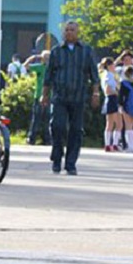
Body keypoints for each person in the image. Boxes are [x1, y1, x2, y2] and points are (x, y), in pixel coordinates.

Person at [41, 21, 100, 175]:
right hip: (60, 96)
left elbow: (94, 74)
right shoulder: (56, 51)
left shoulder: (86, 51)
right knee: (57, 127)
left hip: (78, 97)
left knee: (76, 131)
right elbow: (48, 75)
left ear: (77, 32)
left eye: (72, 30)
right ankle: (56, 159)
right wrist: (45, 95)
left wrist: (95, 93)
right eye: (66, 30)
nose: (69, 32)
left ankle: (71, 163)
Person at [23, 51, 51, 145]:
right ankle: (37, 139)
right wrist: (34, 57)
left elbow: (26, 65)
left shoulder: (49, 68)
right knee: (41, 119)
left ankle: (40, 139)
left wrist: (34, 57)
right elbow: (25, 66)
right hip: (42, 96)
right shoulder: (41, 67)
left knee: (42, 119)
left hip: (45, 96)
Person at [97, 57, 121, 152]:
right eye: (112, 65)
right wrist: (116, 92)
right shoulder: (109, 75)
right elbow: (108, 89)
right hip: (112, 99)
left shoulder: (106, 74)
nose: (114, 66)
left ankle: (108, 144)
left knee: (110, 123)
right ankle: (114, 144)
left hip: (109, 100)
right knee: (118, 124)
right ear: (109, 66)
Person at [118, 65, 133, 153]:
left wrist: (120, 106)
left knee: (128, 127)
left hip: (127, 106)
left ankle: (130, 147)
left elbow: (121, 97)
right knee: (132, 126)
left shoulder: (124, 83)